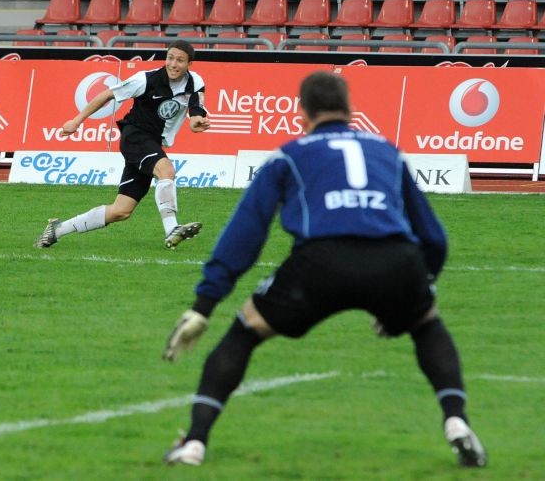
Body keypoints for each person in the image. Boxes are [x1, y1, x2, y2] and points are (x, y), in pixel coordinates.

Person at [161, 71, 486, 468]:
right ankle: (456, 421)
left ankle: (194, 442)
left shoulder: (289, 154)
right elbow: (434, 238)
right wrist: (418, 292)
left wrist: (204, 305)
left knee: (244, 333)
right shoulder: (386, 150)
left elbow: (245, 233)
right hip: (395, 260)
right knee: (427, 325)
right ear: (349, 110)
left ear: (302, 113)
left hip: (320, 263)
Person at [35, 39, 211, 250]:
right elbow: (107, 94)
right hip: (135, 136)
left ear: (189, 64)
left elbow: (195, 115)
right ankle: (172, 228)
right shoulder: (145, 79)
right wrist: (76, 121)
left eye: (180, 60)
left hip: (152, 143)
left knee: (121, 210)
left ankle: (58, 229)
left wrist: (197, 122)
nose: (173, 64)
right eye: (170, 58)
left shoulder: (196, 82)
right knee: (166, 170)